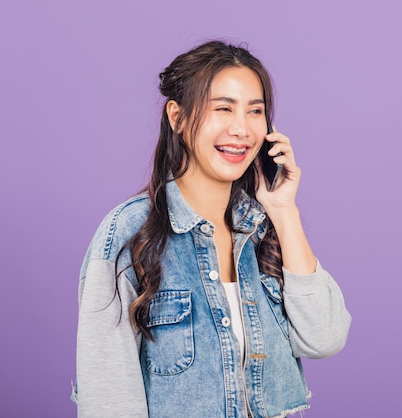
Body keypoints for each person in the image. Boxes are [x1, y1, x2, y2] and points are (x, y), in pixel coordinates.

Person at [72, 40, 351, 418]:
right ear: (178, 117)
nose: (241, 129)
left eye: (255, 111)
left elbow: (324, 338)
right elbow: (109, 399)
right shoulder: (128, 234)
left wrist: (284, 211)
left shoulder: (263, 231)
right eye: (223, 108)